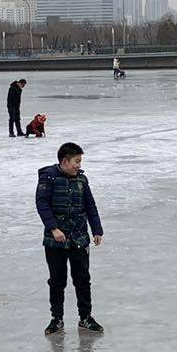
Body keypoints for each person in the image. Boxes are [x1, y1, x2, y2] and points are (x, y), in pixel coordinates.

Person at [36, 142, 104, 335]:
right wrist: (54, 228)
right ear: (65, 161)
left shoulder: (82, 180)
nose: (78, 165)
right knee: (57, 280)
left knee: (82, 279)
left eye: (79, 161)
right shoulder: (48, 177)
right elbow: (42, 204)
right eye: (76, 161)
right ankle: (56, 318)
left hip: (79, 237)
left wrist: (96, 229)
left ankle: (85, 318)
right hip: (55, 240)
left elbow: (90, 206)